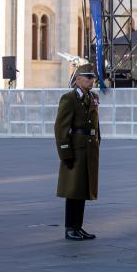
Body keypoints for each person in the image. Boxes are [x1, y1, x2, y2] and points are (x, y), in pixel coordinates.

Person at [54, 69, 101, 241]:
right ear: (78, 78)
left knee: (82, 190)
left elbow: (96, 124)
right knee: (73, 190)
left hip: (89, 148)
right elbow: (61, 128)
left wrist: (97, 142)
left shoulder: (93, 97)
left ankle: (78, 227)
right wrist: (65, 153)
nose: (92, 80)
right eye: (88, 77)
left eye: (93, 78)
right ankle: (70, 228)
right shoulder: (69, 98)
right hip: (75, 148)